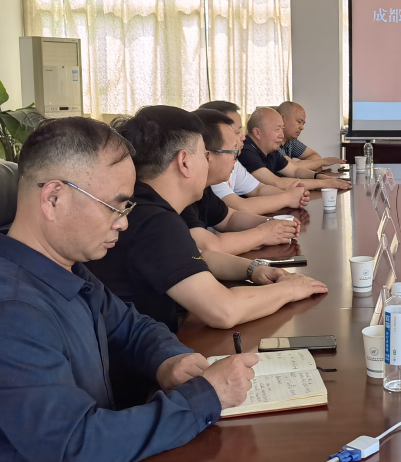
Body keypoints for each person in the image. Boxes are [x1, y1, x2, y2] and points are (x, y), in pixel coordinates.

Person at [0, 117, 260, 462]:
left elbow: (130, 327)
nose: (123, 223)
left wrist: (170, 361)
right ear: (54, 198)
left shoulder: (63, 269)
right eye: (114, 207)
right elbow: (76, 450)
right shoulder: (7, 315)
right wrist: (205, 396)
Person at [87, 106, 327, 335]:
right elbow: (224, 310)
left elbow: (198, 255)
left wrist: (253, 268)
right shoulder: (154, 222)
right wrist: (290, 288)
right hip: (140, 358)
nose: (208, 161)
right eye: (204, 154)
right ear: (184, 162)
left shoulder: (144, 203)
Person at [185, 107, 303, 255]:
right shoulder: (180, 197)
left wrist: (271, 223)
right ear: (206, 155)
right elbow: (209, 247)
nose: (236, 160)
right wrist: (263, 234)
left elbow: (230, 218)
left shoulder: (203, 189)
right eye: (233, 152)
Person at [199, 100, 310, 215]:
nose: (243, 137)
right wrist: (287, 198)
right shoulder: (213, 170)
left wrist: (291, 194)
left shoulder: (233, 162)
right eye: (237, 132)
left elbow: (258, 189)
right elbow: (240, 207)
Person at [240, 107, 351, 191]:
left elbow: (294, 171)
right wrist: (324, 183)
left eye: (282, 129)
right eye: (277, 129)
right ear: (257, 133)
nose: (281, 135)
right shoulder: (245, 151)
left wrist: (321, 177)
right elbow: (276, 183)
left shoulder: (270, 150)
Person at [276, 100, 346, 171]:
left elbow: (315, 156)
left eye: (303, 124)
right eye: (299, 122)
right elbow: (291, 167)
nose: (302, 127)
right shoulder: (272, 143)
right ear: (282, 119)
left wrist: (302, 165)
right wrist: (323, 161)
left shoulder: (290, 141)